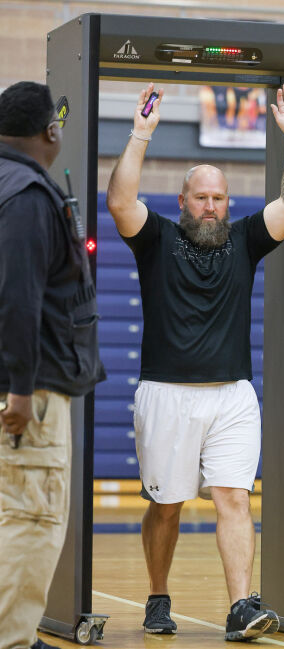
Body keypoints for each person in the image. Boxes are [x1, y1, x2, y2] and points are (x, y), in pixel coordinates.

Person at [107, 81, 284, 642]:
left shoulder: (245, 240)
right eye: (202, 197)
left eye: (219, 197)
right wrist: (141, 133)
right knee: (167, 507)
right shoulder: (158, 239)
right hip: (166, 394)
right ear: (183, 201)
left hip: (232, 397)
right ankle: (157, 596)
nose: (212, 206)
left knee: (233, 498)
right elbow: (121, 201)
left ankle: (241, 606)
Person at [0, 82, 105, 649]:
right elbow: (19, 297)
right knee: (32, 517)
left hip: (16, 381)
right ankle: (12, 638)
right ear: (50, 131)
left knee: (9, 511)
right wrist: (20, 390)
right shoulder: (29, 195)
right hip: (29, 393)